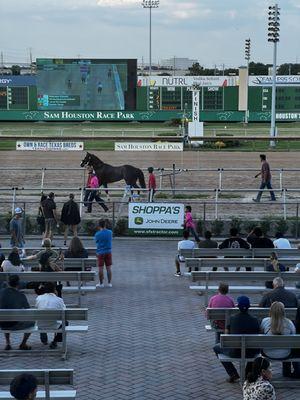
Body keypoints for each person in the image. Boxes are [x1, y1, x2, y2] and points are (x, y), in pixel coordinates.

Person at [213, 296, 260, 383]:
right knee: (253, 348)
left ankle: (233, 374)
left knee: (216, 347)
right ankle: (247, 373)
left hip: (235, 352)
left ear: (238, 306)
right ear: (249, 307)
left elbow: (226, 336)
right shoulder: (255, 320)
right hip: (251, 353)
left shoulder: (232, 319)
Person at [261, 301, 297, 377]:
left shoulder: (265, 321)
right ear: (283, 311)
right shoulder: (289, 323)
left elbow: (261, 333)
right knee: (286, 347)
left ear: (271, 311)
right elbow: (293, 336)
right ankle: (286, 372)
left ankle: (264, 373)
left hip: (268, 353)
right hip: (285, 353)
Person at [0, 275, 34, 350]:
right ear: (18, 284)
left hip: (1, 323)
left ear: (8, 283)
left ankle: (8, 343)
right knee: (32, 322)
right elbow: (28, 310)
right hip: (14, 324)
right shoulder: (21, 295)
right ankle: (23, 344)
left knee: (6, 315)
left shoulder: (1, 292)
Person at [35, 282, 66, 349]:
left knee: (41, 316)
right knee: (65, 322)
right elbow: (64, 311)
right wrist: (57, 295)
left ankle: (44, 339)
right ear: (54, 290)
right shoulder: (59, 300)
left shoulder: (39, 298)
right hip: (55, 324)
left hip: (41, 325)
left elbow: (37, 308)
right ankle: (55, 341)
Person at [94, 219, 113, 288]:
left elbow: (97, 242)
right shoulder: (110, 232)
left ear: (99, 225)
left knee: (100, 268)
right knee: (108, 268)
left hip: (100, 252)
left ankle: (101, 283)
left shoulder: (97, 234)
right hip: (108, 252)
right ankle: (109, 283)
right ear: (105, 225)